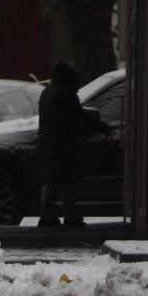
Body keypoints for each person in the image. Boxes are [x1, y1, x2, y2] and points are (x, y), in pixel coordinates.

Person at [35, 61, 102, 228]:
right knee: (67, 181)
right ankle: (70, 216)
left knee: (50, 181)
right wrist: (99, 125)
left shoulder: (47, 92)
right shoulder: (66, 94)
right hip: (64, 144)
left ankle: (47, 215)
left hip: (48, 142)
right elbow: (78, 115)